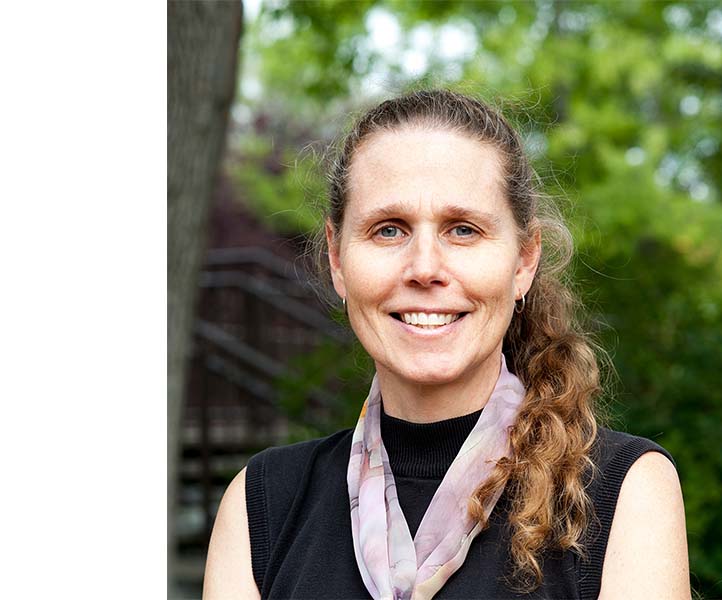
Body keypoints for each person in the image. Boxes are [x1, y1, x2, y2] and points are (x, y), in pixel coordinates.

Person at [203, 90, 690, 599]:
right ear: (337, 259)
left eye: (463, 230)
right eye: (388, 230)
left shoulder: (622, 495)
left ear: (523, 261)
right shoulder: (261, 506)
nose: (425, 268)